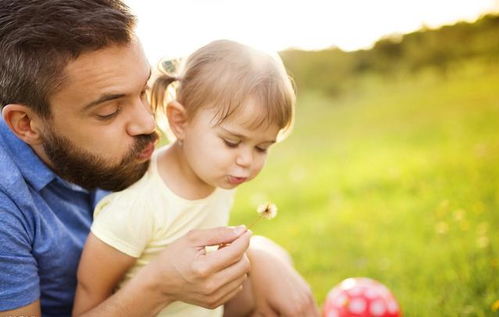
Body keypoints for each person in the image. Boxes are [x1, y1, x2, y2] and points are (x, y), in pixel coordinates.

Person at [0, 1, 318, 316]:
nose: (150, 124)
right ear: (26, 124)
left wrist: (262, 257)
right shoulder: (6, 205)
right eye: (108, 112)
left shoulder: (157, 150)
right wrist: (160, 286)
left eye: (143, 91)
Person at [72, 39, 309, 317]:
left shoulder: (217, 176)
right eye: (232, 142)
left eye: (262, 147)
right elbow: (88, 303)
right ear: (180, 121)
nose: (247, 160)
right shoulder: (136, 206)